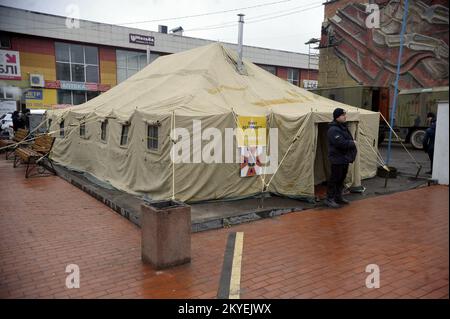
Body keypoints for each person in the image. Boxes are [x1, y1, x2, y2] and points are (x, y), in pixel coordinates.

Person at [325, 108, 357, 209]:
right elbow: (340, 143)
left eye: (345, 115)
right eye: (343, 115)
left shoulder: (343, 127)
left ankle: (338, 197)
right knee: (334, 179)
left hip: (344, 158)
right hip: (337, 158)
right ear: (337, 117)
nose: (345, 116)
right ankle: (329, 199)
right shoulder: (333, 129)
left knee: (341, 179)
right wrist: (352, 143)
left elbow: (347, 139)